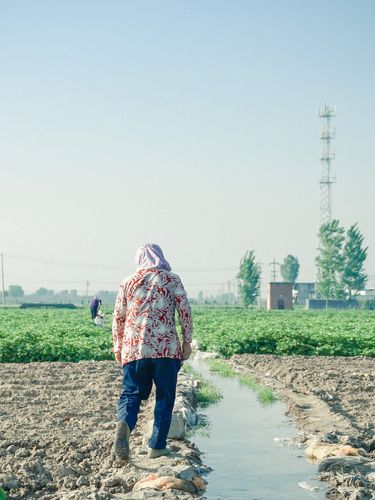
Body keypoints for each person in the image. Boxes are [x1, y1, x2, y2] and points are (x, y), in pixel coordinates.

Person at [112, 243, 192, 460]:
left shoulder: (127, 282)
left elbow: (119, 316)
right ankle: (157, 446)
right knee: (165, 396)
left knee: (131, 394)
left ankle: (124, 426)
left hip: (134, 348)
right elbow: (184, 312)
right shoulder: (171, 279)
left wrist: (118, 347)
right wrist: (187, 341)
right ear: (161, 258)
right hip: (166, 349)